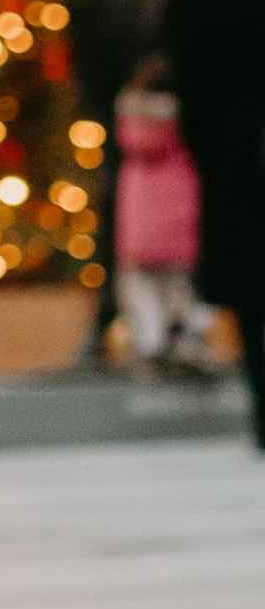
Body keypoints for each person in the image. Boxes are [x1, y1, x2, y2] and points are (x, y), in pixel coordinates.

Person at [166, 0, 265, 437]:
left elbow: (191, 88)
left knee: (252, 301)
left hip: (233, 160)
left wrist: (206, 150)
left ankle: (263, 411)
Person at [112, 51, 207, 372]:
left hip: (140, 236)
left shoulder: (129, 134)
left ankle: (150, 341)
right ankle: (185, 339)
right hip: (181, 233)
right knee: (182, 289)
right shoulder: (187, 133)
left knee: (142, 289)